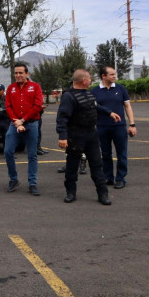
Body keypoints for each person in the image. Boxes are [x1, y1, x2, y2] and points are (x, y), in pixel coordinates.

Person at [56, 69, 120, 205]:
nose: (91, 80)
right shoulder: (68, 96)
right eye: (90, 78)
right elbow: (62, 118)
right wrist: (62, 136)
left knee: (97, 165)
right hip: (76, 135)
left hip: (91, 134)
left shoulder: (88, 94)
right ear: (84, 81)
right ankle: (70, 192)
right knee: (72, 166)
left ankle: (103, 194)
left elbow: (96, 106)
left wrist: (109, 113)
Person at [91, 66, 137, 189]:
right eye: (111, 74)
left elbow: (127, 107)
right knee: (105, 154)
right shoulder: (94, 91)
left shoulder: (121, 89)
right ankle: (108, 177)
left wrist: (132, 124)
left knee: (122, 154)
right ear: (103, 76)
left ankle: (121, 178)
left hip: (119, 127)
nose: (114, 76)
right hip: (102, 127)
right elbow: (93, 108)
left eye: (115, 74)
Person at [4, 63, 44, 195]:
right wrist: (16, 121)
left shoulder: (35, 87)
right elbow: (8, 106)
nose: (18, 75)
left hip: (31, 124)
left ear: (27, 73)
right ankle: (13, 179)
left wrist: (23, 120)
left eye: (21, 73)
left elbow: (38, 106)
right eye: (16, 73)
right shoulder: (10, 88)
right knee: (8, 151)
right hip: (15, 124)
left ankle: (32, 183)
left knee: (32, 154)